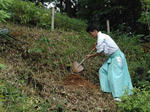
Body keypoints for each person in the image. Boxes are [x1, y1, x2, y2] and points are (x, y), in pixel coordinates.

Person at [86, 25, 133, 101]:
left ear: (94, 31)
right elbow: (103, 47)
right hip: (112, 58)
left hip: (117, 57)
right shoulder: (102, 37)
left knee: (114, 76)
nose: (91, 35)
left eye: (91, 33)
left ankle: (118, 96)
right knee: (103, 70)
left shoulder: (101, 38)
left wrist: (90, 56)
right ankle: (108, 90)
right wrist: (97, 45)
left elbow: (99, 52)